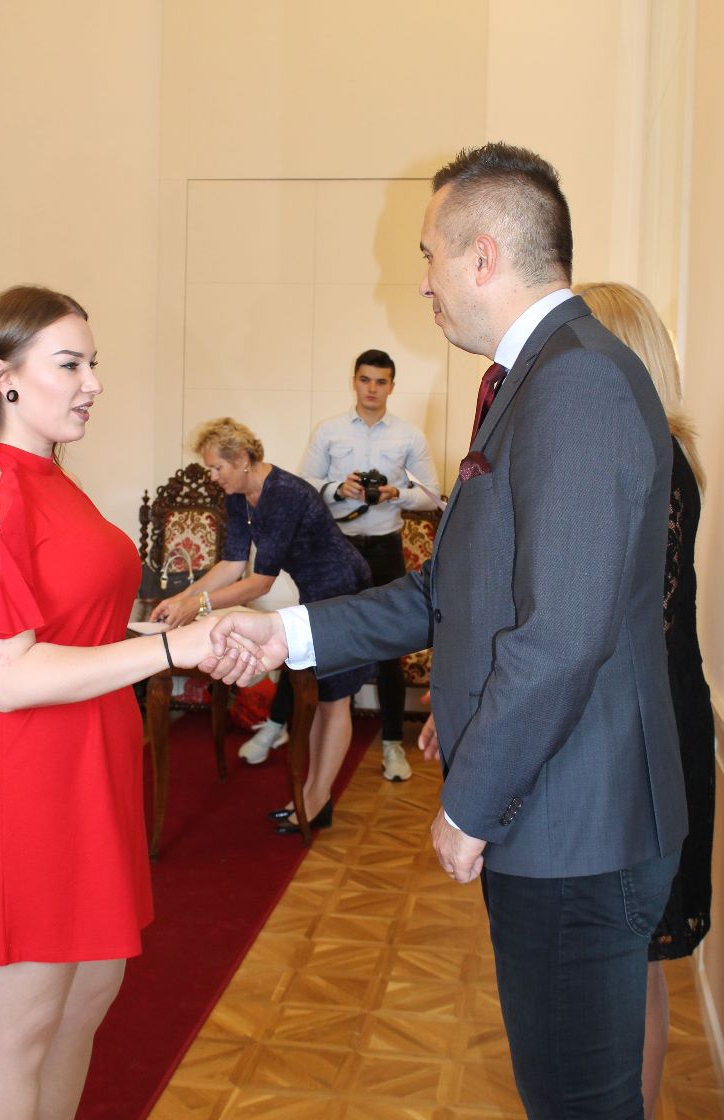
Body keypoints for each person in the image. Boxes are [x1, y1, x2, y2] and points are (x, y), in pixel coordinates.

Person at [203, 143, 688, 1119]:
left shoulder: (577, 383)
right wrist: (286, 634)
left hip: (573, 823)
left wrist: (469, 804)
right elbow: (446, 595)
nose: (421, 281)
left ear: (482, 256)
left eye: (427, 256)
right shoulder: (537, 379)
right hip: (560, 813)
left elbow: (561, 636)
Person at [0, 286, 250, 1120]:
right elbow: (8, 676)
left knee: (80, 1016)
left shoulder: (54, 480)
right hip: (26, 791)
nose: (93, 383)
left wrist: (189, 629)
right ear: (3, 376)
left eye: (92, 364)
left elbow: (77, 624)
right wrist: (171, 650)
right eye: (69, 364)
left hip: (94, 775)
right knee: (14, 1043)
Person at [574, 281, 714, 1120]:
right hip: (653, 730)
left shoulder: (652, 464)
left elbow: (625, 631)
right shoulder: (664, 453)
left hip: (648, 743)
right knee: (633, 966)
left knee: (632, 966)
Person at [151, 416, 373, 832]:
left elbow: (260, 582)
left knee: (335, 700)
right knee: (319, 698)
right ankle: (312, 797)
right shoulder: (239, 495)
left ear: (243, 459)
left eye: (217, 467)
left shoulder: (284, 492)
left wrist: (198, 604)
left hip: (343, 588)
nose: (213, 476)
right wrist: (182, 599)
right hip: (315, 593)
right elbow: (233, 564)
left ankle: (316, 800)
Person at [289, 349, 440, 783]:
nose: (372, 389)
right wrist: (340, 489)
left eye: (381, 381)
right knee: (320, 638)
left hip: (385, 546)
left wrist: (396, 494)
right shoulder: (329, 430)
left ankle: (392, 742)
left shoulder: (409, 435)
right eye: (365, 379)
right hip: (335, 548)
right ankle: (303, 729)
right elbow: (304, 486)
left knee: (389, 646)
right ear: (354, 380)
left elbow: (431, 493)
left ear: (392, 386)